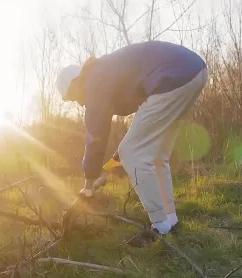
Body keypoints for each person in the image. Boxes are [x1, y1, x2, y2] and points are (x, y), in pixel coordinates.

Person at [56, 40, 208, 246]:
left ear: (76, 83)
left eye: (74, 97)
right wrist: (127, 144)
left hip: (174, 77)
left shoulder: (94, 81)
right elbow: (145, 109)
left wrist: (89, 182)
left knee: (132, 153)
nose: (79, 103)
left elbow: (95, 135)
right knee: (156, 155)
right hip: (193, 71)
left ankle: (160, 226)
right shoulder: (105, 71)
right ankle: (170, 220)